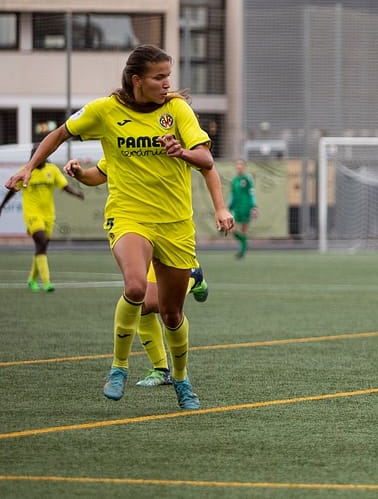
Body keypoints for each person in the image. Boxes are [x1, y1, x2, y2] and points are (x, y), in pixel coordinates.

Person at [5, 44, 215, 411]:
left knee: (170, 313)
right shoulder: (104, 111)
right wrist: (28, 167)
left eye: (168, 76)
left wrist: (181, 151)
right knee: (135, 286)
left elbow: (206, 158)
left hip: (176, 222)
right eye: (159, 77)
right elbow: (59, 134)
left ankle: (181, 378)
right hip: (129, 215)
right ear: (137, 80)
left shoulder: (177, 110)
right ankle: (118, 367)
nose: (167, 83)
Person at [65, 156, 233, 386]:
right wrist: (82, 174)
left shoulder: (176, 132)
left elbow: (206, 163)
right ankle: (160, 368)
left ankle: (193, 277)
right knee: (139, 298)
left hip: (170, 228)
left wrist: (221, 208)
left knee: (162, 308)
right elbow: (102, 172)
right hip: (135, 225)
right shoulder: (123, 133)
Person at [0, 146, 85, 292]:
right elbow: (14, 190)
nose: (36, 158)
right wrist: (2, 205)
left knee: (42, 246)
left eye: (39, 154)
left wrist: (77, 193)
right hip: (32, 214)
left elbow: (64, 186)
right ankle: (47, 283)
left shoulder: (52, 170)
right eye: (34, 155)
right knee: (41, 240)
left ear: (45, 154)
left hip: (48, 215)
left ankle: (32, 279)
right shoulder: (26, 170)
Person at [229, 158, 257, 259]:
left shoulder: (247, 179)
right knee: (232, 229)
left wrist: (254, 207)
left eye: (241, 164)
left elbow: (251, 194)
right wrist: (229, 206)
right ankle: (244, 243)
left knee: (244, 230)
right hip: (236, 208)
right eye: (237, 164)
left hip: (246, 207)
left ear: (244, 167)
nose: (239, 166)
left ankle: (242, 251)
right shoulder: (234, 180)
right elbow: (233, 195)